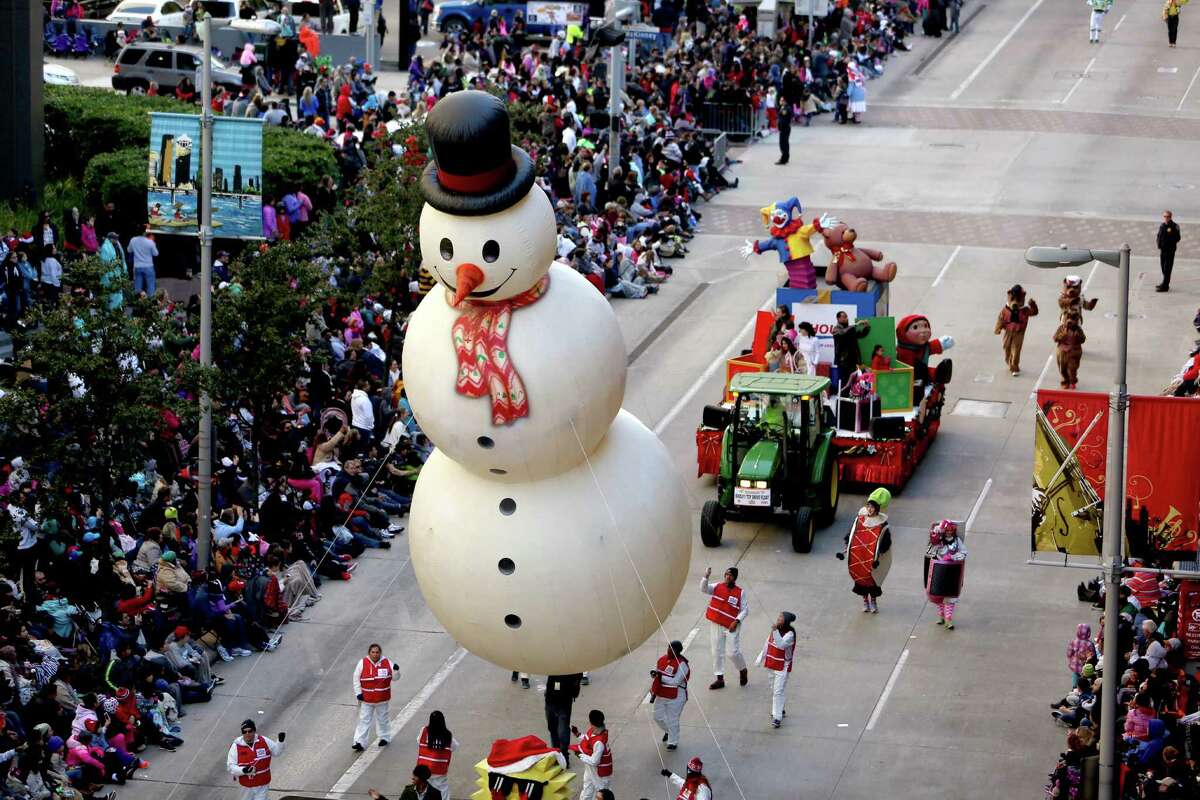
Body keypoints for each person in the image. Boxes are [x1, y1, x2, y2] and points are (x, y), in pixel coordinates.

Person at [836, 487, 893, 612]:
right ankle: (865, 602)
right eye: (868, 506)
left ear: (878, 508)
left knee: (871, 580)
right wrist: (847, 544)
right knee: (860, 578)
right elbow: (851, 533)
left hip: (871, 558)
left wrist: (879, 554)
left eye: (872, 507)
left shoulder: (882, 524)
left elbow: (886, 541)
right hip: (858, 555)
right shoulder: (860, 519)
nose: (869, 509)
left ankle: (873, 602)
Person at [700, 566, 748, 689]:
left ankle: (742, 670)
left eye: (730, 575)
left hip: (732, 626)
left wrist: (736, 621)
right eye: (726, 574)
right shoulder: (717, 586)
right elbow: (703, 589)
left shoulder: (740, 592)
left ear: (735, 578)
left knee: (732, 653)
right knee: (716, 651)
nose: (727, 576)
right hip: (716, 624)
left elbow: (745, 610)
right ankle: (720, 679)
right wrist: (706, 577)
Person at [352, 643, 398, 751]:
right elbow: (356, 678)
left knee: (383, 719)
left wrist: (396, 671)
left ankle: (384, 737)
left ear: (380, 653)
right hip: (367, 699)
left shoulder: (387, 662)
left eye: (377, 652)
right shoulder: (362, 663)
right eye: (373, 652)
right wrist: (358, 693)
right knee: (364, 720)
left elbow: (395, 678)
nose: (375, 654)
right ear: (369, 653)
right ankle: (359, 741)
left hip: (382, 699)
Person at [755, 611, 796, 728]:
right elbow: (767, 644)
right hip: (772, 663)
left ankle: (776, 717)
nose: (778, 618)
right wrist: (760, 658)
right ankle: (781, 708)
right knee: (775, 689)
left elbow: (781, 645)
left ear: (786, 621)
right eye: (779, 616)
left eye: (781, 617)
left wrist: (775, 631)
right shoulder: (775, 630)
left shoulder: (790, 634)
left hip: (783, 666)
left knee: (777, 691)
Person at [226, 720, 285, 800]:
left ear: (254, 731)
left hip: (262, 785)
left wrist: (280, 742)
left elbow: (277, 752)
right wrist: (244, 770)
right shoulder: (235, 746)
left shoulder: (263, 741)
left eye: (250, 731)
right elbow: (231, 767)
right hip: (246, 787)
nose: (247, 734)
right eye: (244, 732)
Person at [925, 520, 966, 629]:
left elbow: (964, 552)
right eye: (946, 530)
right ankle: (941, 616)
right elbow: (931, 548)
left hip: (953, 571)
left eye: (951, 531)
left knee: (950, 596)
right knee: (939, 595)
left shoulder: (957, 541)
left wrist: (953, 557)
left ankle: (948, 619)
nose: (949, 532)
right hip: (939, 570)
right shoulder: (939, 541)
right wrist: (937, 532)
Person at [650, 640, 689, 751]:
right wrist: (654, 680)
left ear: (678, 651)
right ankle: (669, 731)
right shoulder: (662, 659)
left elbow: (676, 681)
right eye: (668, 648)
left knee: (673, 719)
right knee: (657, 717)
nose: (669, 650)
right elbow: (656, 673)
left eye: (672, 649)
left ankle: (673, 742)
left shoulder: (682, 664)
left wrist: (660, 676)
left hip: (676, 696)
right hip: (661, 694)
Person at [994, 284, 1038, 376]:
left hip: (1019, 332)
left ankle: (1015, 366)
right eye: (1013, 299)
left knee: (1016, 350)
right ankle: (1009, 361)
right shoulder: (1005, 309)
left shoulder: (1024, 310)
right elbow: (1001, 318)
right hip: (1008, 332)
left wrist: (1033, 305)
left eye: (1017, 300)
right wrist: (998, 328)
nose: (1015, 303)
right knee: (1006, 347)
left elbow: (1034, 312)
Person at [569, 709, 613, 800]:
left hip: (600, 773)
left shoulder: (599, 743)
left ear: (591, 722)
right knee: (587, 790)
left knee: (602, 795)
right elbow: (587, 739)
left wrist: (579, 755)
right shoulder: (594, 731)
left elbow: (594, 761)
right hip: (591, 769)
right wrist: (577, 734)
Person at [416, 710, 458, 799]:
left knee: (423, 787)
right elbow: (454, 746)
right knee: (442, 788)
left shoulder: (424, 731)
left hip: (423, 768)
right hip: (439, 769)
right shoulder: (447, 735)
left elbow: (418, 741)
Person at [544, 673, 583, 759]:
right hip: (551, 701)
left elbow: (577, 681)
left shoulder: (574, 669)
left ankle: (564, 754)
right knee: (553, 729)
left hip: (564, 704)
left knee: (563, 731)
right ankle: (557, 754)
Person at [832, 312, 871, 391]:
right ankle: (842, 402)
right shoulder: (836, 329)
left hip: (853, 361)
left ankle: (851, 401)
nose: (846, 318)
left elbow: (861, 335)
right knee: (844, 382)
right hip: (843, 362)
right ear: (838, 319)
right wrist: (856, 324)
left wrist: (867, 327)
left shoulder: (850, 329)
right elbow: (842, 333)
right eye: (844, 317)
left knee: (853, 382)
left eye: (847, 316)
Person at [367, 765, 443, 800]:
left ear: (422, 779)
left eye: (415, 776)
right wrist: (380, 798)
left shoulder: (435, 794)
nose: (412, 778)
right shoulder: (408, 791)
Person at [1053, 313, 1086, 390]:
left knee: (1072, 368)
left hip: (1073, 352)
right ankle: (1065, 381)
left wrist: (1078, 336)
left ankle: (1072, 381)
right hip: (1062, 352)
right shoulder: (1061, 328)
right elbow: (1055, 338)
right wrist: (1062, 335)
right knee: (1062, 369)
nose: (1069, 322)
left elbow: (1083, 339)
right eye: (1067, 320)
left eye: (1072, 320)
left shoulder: (1078, 329)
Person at [127, 228, 159, 296]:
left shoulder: (133, 240)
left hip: (137, 266)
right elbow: (156, 254)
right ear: (144, 233)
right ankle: (151, 302)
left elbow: (129, 250)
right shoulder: (150, 242)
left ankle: (138, 301)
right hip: (148, 266)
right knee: (150, 286)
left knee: (138, 286)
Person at [1156, 210, 1181, 292]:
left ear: (1170, 217)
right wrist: (1158, 244)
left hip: (1170, 251)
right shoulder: (1162, 225)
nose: (1166, 218)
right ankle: (1165, 282)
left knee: (1167, 268)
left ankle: (1165, 286)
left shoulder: (1174, 226)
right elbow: (1159, 236)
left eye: (1167, 217)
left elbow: (1178, 238)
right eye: (1164, 216)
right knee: (1163, 266)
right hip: (1163, 250)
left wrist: (1169, 242)